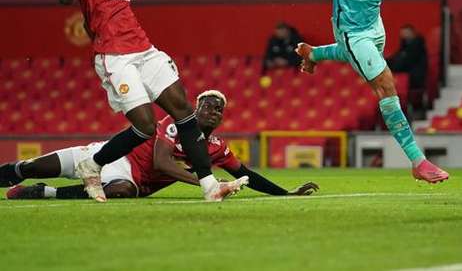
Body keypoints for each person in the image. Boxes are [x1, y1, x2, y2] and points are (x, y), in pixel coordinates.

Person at [8, 0, 242, 202]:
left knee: (183, 110)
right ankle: (92, 164)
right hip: (116, 56)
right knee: (145, 127)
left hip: (144, 49)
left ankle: (209, 186)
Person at [273, 0, 457, 184]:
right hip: (350, 29)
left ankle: (314, 54)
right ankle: (418, 161)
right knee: (385, 84)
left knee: (356, 57)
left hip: (375, 25)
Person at [2, 90, 319, 200]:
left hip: (133, 182)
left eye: (218, 109)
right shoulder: (173, 124)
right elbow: (161, 162)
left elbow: (247, 173)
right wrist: (208, 184)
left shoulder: (216, 147)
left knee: (121, 191)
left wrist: (285, 193)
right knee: (27, 167)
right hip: (112, 156)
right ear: (195, 109)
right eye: (207, 105)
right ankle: (19, 177)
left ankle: (47, 192)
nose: (213, 111)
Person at [387, 24, 428, 92]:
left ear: (412, 33)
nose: (404, 35)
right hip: (407, 73)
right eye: (402, 33)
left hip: (415, 77)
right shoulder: (405, 44)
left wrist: (391, 67)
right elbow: (397, 57)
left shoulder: (417, 45)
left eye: (406, 33)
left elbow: (407, 62)